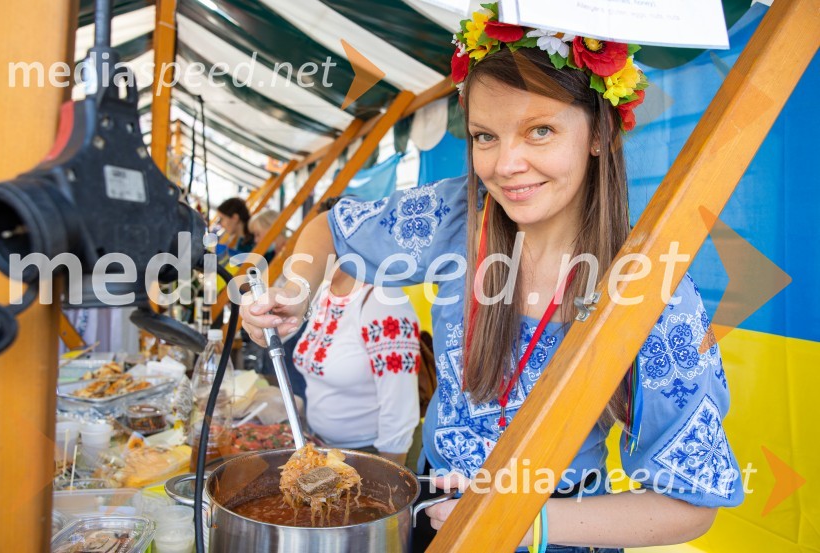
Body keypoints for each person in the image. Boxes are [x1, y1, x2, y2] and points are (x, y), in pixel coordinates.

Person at [241, 6, 743, 551]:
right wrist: (293, 289)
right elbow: (330, 230)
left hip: (555, 530)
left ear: (600, 132)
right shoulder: (461, 213)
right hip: (435, 511)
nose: (506, 164)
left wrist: (521, 523)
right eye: (485, 136)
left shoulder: (652, 289)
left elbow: (691, 503)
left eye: (540, 131)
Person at [291, 197, 421, 467]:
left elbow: (399, 405)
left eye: (320, 238)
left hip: (366, 456)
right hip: (321, 449)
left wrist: (388, 476)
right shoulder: (324, 293)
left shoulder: (383, 301)